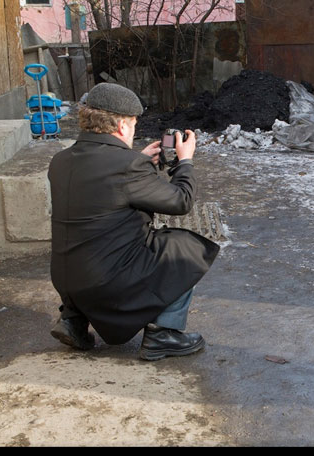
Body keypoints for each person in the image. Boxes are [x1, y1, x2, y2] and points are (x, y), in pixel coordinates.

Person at [48, 83, 219, 361]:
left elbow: (101, 186)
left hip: (66, 279)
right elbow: (180, 202)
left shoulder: (61, 160)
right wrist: (185, 162)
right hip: (105, 282)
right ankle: (163, 333)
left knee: (88, 243)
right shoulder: (127, 166)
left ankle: (73, 321)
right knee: (184, 247)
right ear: (122, 126)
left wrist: (137, 160)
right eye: (134, 124)